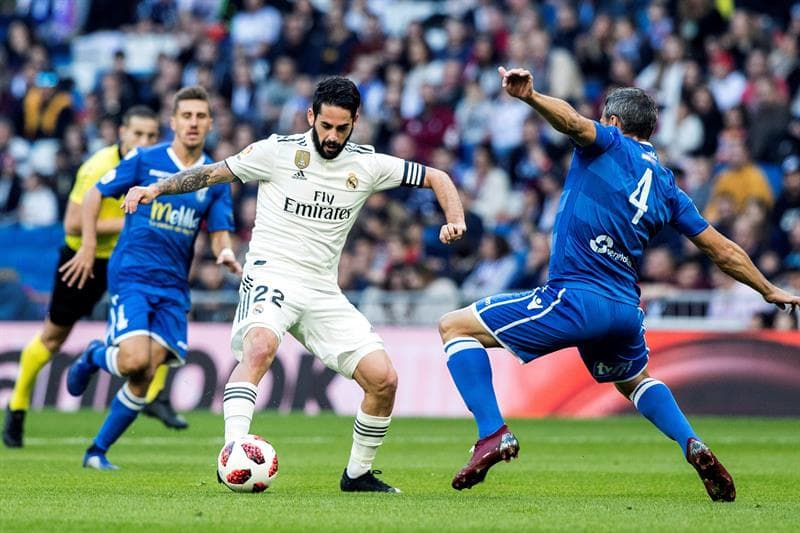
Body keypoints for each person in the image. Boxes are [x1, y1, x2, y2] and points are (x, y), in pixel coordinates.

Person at [437, 66, 800, 502]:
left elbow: (571, 122)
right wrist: (768, 289)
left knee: (454, 327)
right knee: (635, 381)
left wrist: (531, 97)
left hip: (576, 295)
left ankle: (492, 433)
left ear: (613, 121)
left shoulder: (609, 143)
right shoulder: (667, 186)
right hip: (625, 309)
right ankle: (692, 443)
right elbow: (721, 249)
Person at [122, 76, 466, 492]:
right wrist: (155, 188)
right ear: (311, 116)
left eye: (342, 128)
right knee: (261, 346)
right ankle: (233, 454)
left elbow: (438, 177)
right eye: (326, 126)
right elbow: (212, 173)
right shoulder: (276, 152)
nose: (333, 136)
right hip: (271, 273)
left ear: (355, 121)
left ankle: (357, 475)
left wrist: (455, 219)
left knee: (383, 380)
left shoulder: (369, 164)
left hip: (323, 289)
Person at [60, 87, 241, 469]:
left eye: (200, 116)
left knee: (145, 373)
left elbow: (220, 229)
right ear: (172, 122)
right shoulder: (145, 160)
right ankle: (95, 354)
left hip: (174, 287)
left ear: (210, 123)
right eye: (186, 116)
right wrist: (89, 246)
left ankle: (97, 452)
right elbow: (94, 195)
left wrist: (224, 251)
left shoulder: (214, 177)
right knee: (132, 361)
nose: (193, 123)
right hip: (133, 275)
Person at [2, 106, 187, 449]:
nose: (144, 141)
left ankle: (156, 396)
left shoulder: (154, 166)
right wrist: (129, 223)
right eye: (138, 134)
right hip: (83, 260)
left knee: (159, 323)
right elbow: (72, 223)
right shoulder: (98, 167)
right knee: (52, 339)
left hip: (128, 261)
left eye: (150, 136)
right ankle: (17, 406)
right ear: (122, 133)